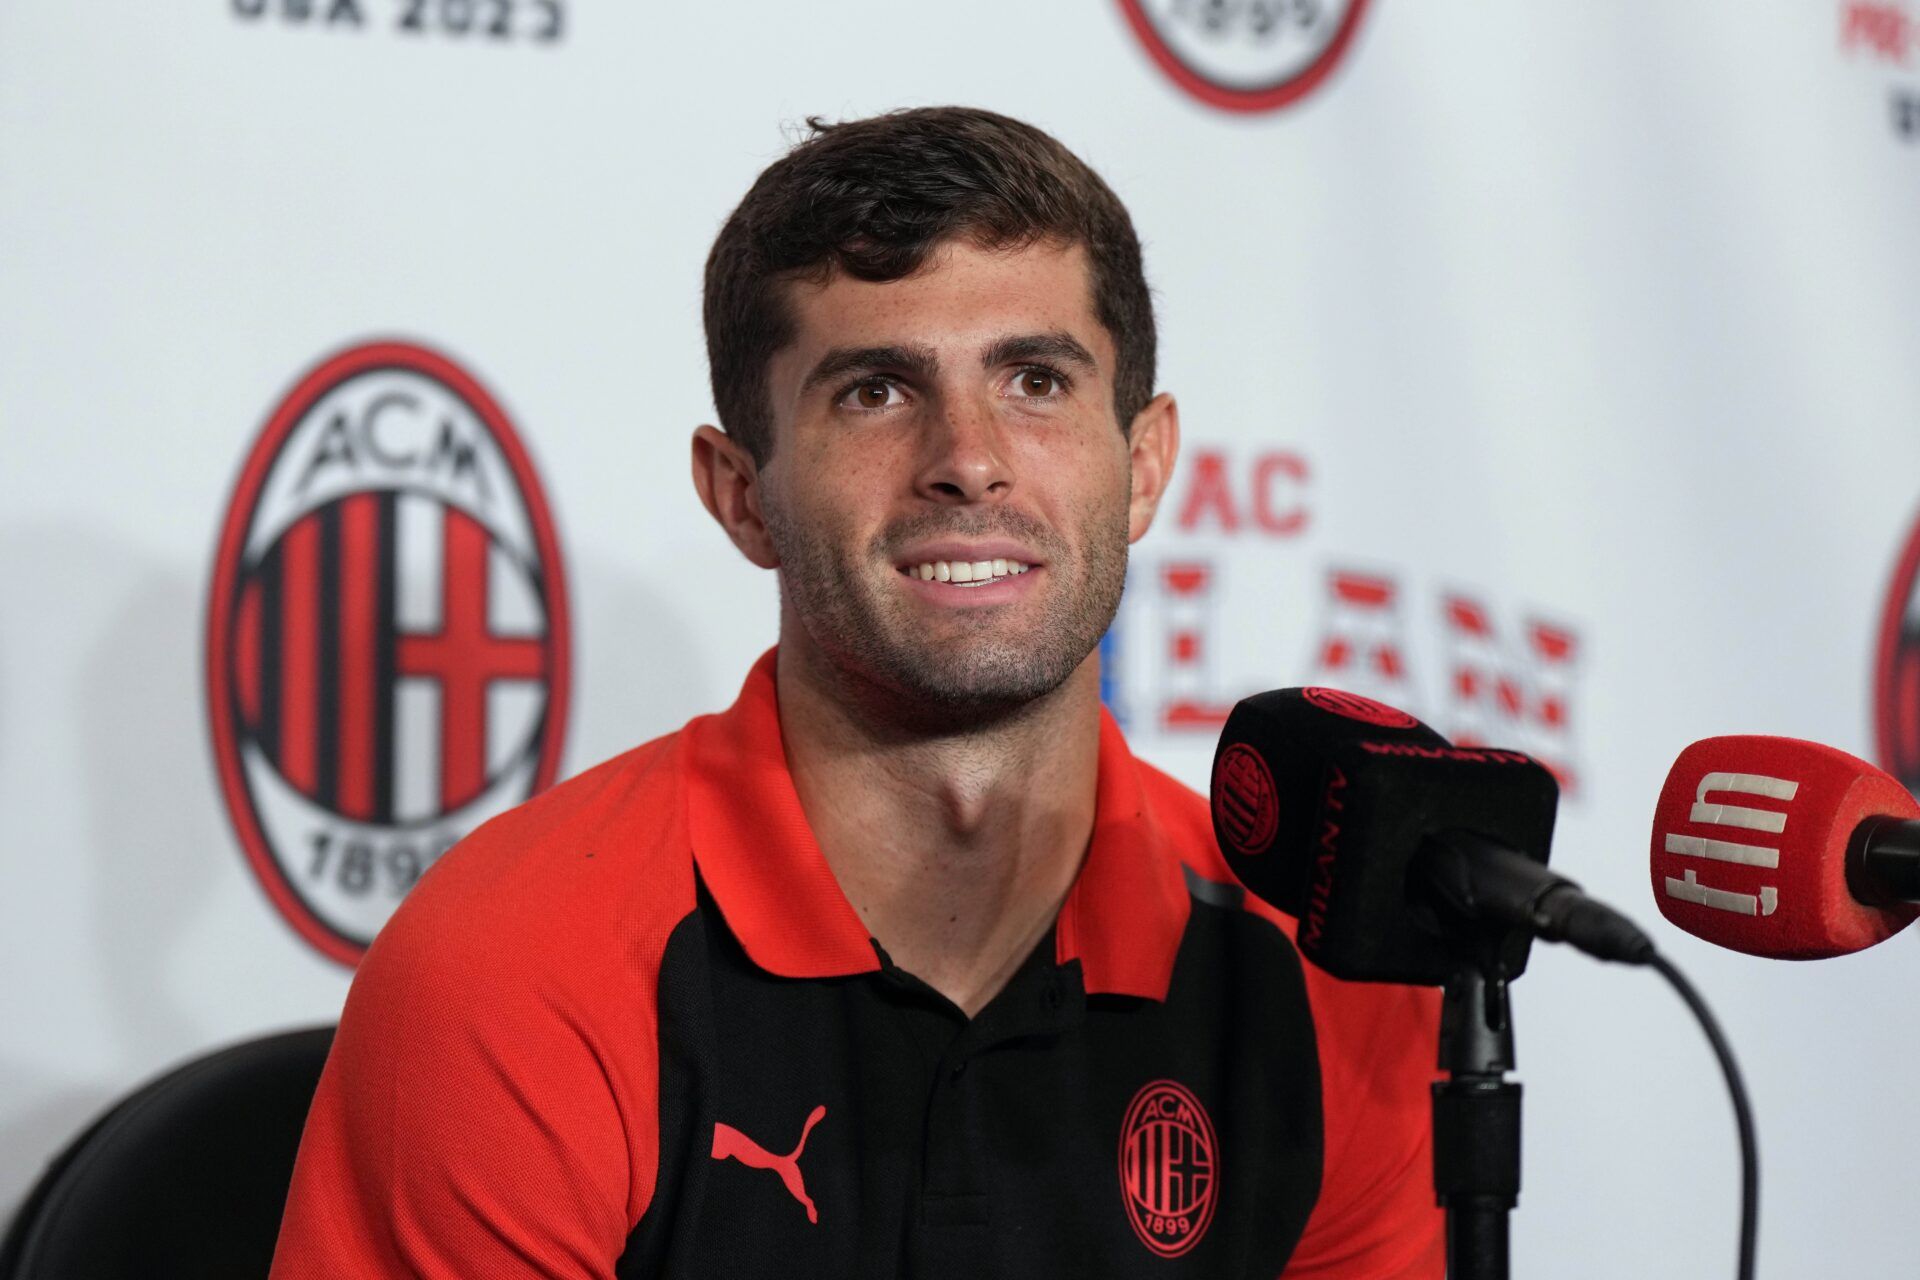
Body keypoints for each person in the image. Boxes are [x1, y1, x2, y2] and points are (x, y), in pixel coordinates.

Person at [270, 106, 1442, 1278]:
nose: (968, 458)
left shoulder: (1319, 981)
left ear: (1142, 466)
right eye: (876, 391)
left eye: (1035, 380)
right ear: (742, 496)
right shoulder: (518, 965)